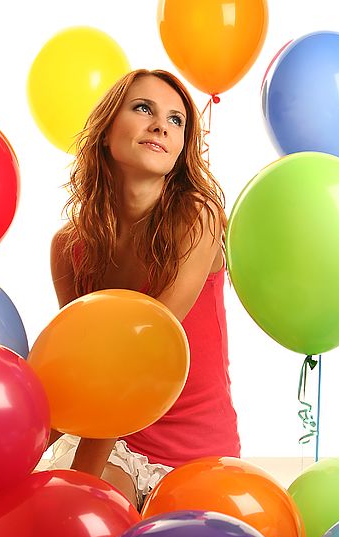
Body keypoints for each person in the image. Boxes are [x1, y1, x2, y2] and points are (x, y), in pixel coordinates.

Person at [44, 69, 240, 511]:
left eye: (176, 120)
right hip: (116, 444)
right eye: (143, 108)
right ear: (106, 133)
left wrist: (79, 481)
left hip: (197, 453)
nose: (161, 126)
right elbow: (82, 371)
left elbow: (143, 352)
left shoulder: (198, 217)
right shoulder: (68, 248)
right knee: (91, 522)